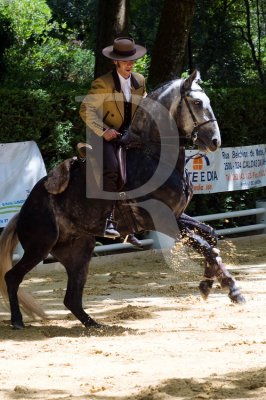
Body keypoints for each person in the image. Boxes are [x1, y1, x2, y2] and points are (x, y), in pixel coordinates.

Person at [80, 37, 147, 246]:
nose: (130, 64)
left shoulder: (140, 81)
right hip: (104, 136)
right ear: (115, 62)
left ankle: (129, 224)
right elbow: (86, 109)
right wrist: (103, 130)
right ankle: (107, 219)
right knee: (112, 169)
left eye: (132, 60)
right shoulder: (103, 83)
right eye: (125, 61)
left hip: (127, 136)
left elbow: (143, 106)